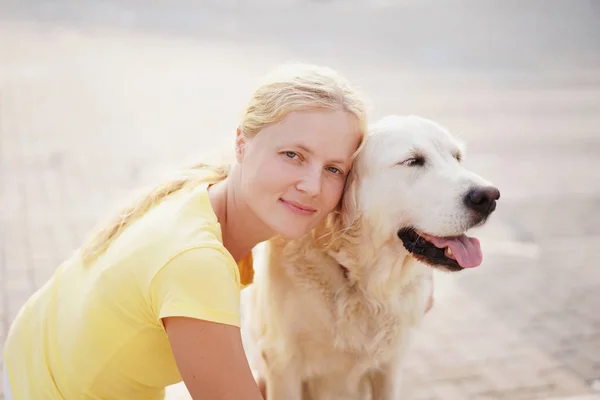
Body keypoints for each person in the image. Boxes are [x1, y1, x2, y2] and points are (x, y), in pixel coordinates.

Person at [2, 63, 369, 399]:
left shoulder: (202, 189)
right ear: (242, 143)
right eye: (293, 155)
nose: (312, 186)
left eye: (334, 169)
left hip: (33, 362)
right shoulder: (196, 262)